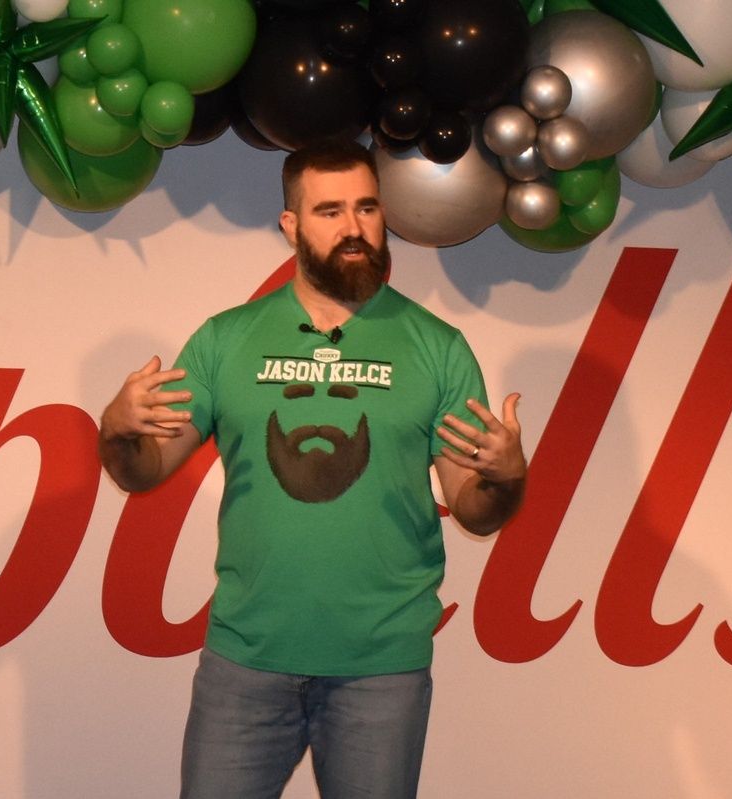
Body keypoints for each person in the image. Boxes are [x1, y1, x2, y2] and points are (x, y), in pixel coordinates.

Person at [98, 139, 527, 799]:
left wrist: (504, 475)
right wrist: (117, 430)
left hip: (380, 669)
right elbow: (143, 470)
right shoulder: (225, 339)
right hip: (245, 661)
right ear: (291, 226)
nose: (353, 228)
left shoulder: (437, 348)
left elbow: (474, 507)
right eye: (329, 211)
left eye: (365, 208)